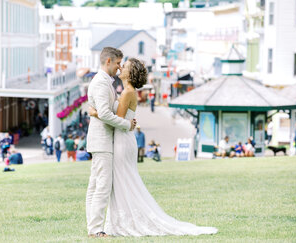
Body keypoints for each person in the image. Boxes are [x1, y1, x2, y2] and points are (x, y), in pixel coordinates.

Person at [89, 57, 217, 237]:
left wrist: (95, 112)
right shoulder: (128, 91)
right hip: (124, 138)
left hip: (121, 140)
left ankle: (122, 222)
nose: (121, 66)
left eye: (125, 66)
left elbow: (115, 119)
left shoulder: (127, 92)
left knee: (121, 181)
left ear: (130, 73)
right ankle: (118, 221)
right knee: (122, 182)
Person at [85, 47, 137, 238]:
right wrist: (126, 124)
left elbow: (107, 109)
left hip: (102, 140)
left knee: (95, 185)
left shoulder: (106, 82)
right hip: (102, 141)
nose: (119, 67)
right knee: (102, 186)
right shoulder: (100, 83)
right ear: (108, 61)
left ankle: (93, 227)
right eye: (117, 63)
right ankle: (96, 229)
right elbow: (106, 113)